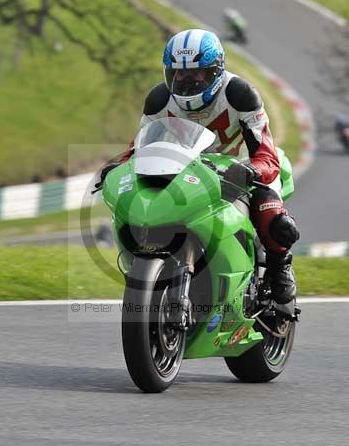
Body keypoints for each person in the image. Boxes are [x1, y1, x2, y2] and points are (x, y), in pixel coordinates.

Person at [100, 29, 299, 305]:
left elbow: (267, 154)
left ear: (216, 71)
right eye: (179, 74)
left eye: (197, 74)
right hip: (188, 170)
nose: (187, 82)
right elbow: (138, 148)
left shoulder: (240, 95)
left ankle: (280, 267)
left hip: (242, 169)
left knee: (271, 214)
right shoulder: (159, 100)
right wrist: (117, 168)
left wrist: (252, 171)